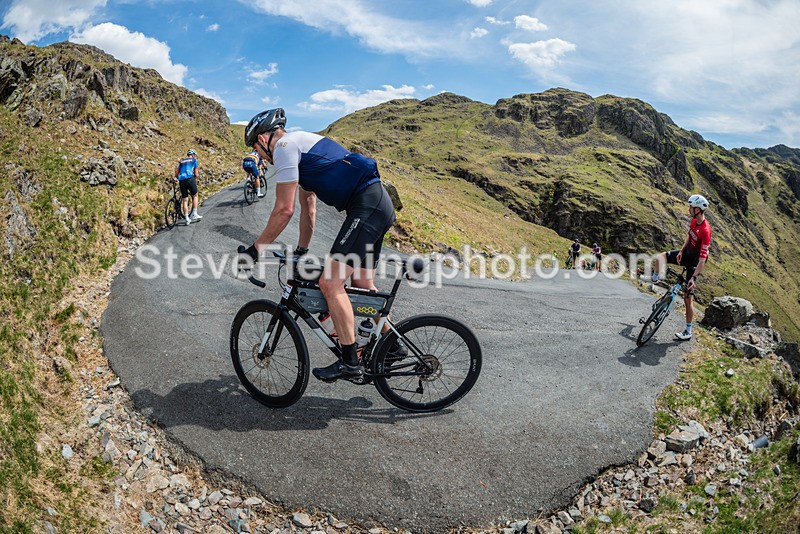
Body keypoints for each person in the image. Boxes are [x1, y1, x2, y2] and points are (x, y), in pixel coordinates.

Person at [237, 108, 398, 381]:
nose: (261, 156)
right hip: (377, 204)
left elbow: (283, 210)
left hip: (367, 206)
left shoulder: (285, 146)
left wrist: (256, 249)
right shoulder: (302, 149)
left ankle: (350, 361)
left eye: (256, 147)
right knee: (362, 285)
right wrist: (301, 251)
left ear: (264, 139)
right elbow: (307, 209)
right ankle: (394, 346)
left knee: (330, 283)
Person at [650, 194, 712, 341]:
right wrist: (682, 251)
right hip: (686, 254)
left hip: (695, 263)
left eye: (691, 207)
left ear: (698, 209)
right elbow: (689, 237)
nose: (689, 209)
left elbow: (703, 260)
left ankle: (688, 331)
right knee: (661, 257)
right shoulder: (693, 221)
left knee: (687, 298)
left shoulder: (705, 230)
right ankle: (655, 278)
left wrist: (693, 278)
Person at [174, 149, 202, 225]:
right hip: (190, 179)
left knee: (185, 199)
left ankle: (187, 218)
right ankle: (194, 214)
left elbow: (176, 174)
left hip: (182, 181)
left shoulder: (182, 162)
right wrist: (196, 178)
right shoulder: (194, 160)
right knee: (195, 195)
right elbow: (196, 174)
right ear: (193, 155)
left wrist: (179, 178)